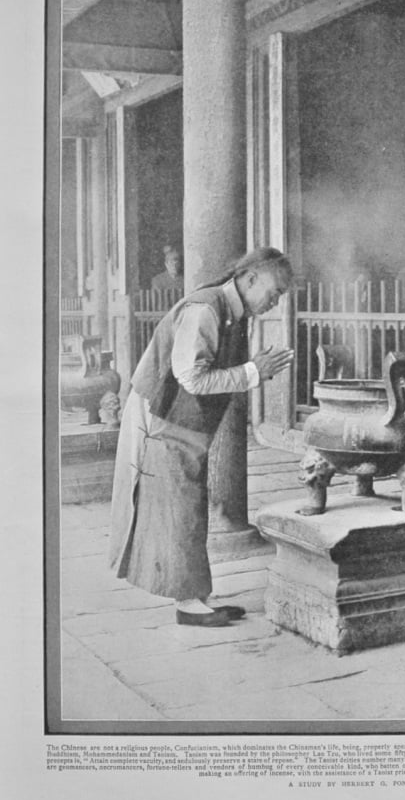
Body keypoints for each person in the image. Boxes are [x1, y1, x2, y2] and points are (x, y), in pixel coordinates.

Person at [109, 247, 295, 627]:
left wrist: (251, 370)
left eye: (279, 299)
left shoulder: (232, 311)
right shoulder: (206, 308)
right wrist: (252, 371)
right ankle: (189, 604)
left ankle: (194, 596)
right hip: (159, 417)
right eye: (273, 293)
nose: (273, 304)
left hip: (180, 421)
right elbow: (190, 376)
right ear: (251, 277)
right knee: (180, 508)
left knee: (187, 506)